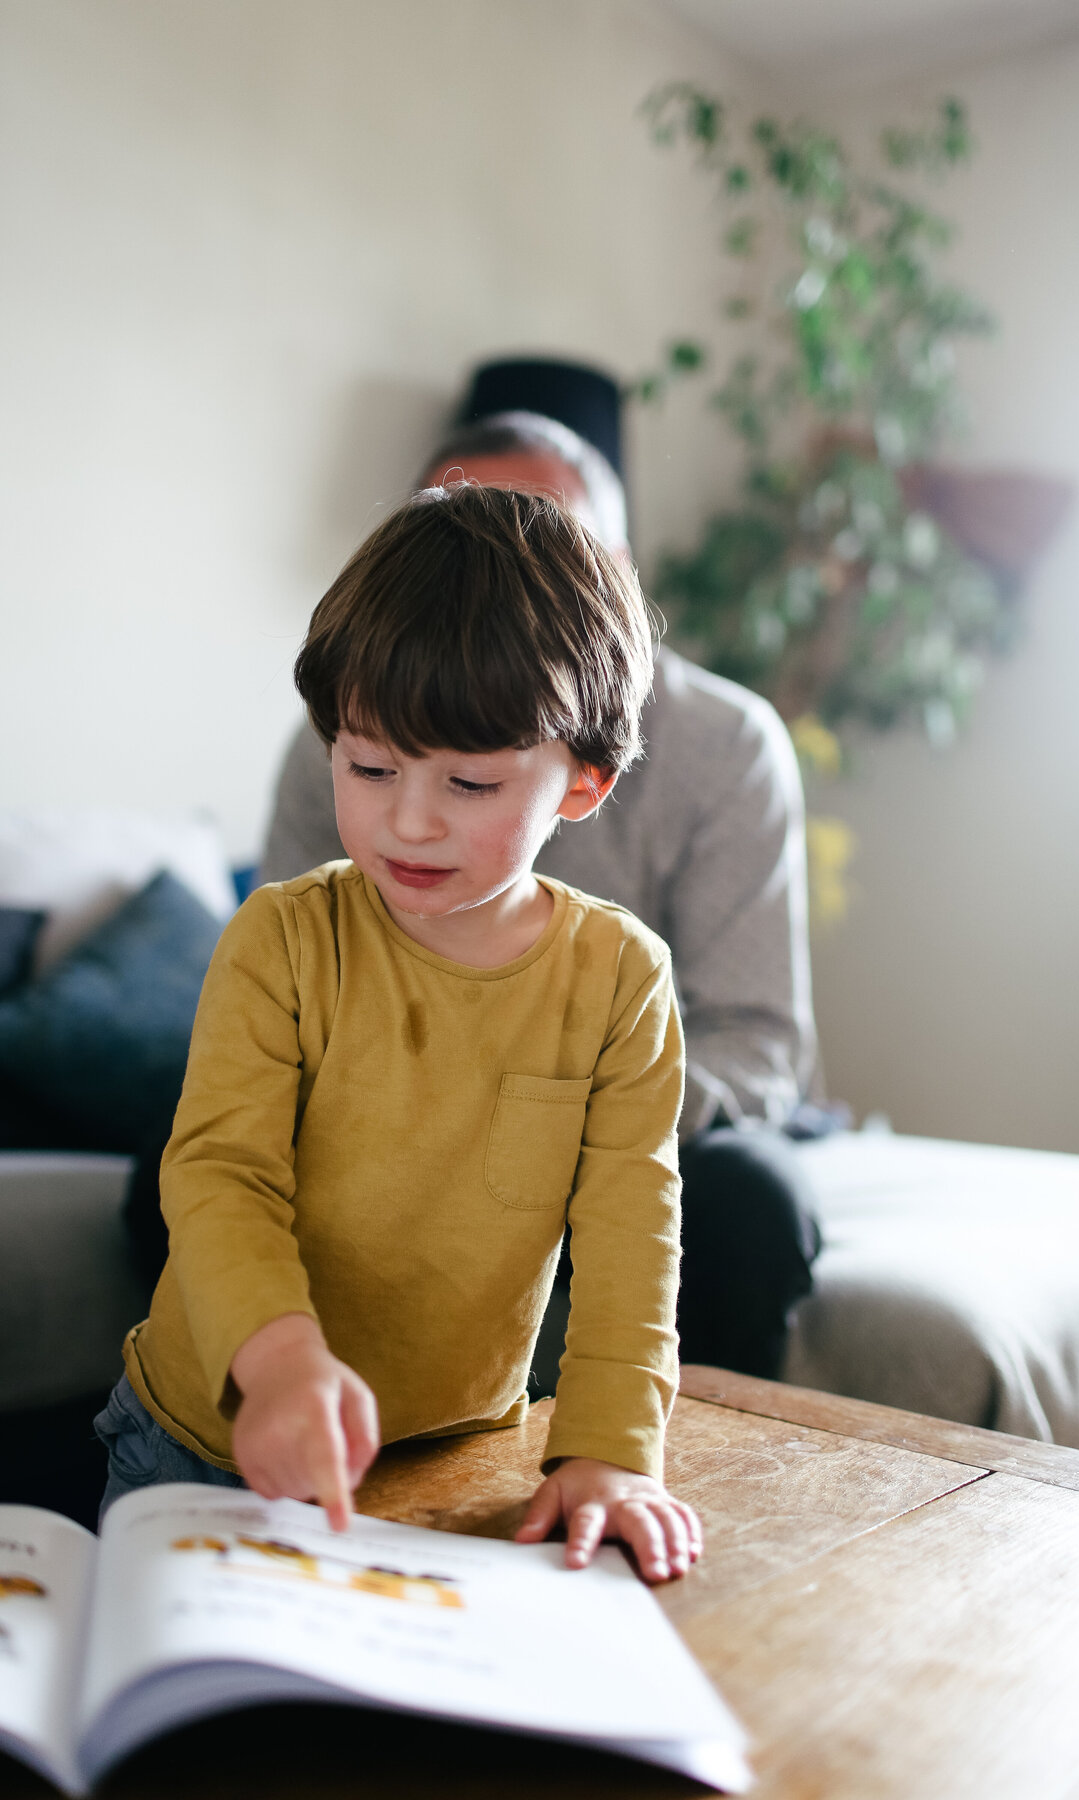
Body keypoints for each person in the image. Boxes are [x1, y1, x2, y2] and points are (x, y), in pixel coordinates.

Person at [96, 484, 701, 1583]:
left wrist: (612, 1449)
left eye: (469, 782)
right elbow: (219, 1174)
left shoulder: (619, 982)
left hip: (453, 1457)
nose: (409, 819)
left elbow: (630, 1234)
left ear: (583, 783)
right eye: (368, 766)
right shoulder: (282, 940)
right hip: (207, 1437)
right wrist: (280, 1363)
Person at [258, 410, 822, 1382]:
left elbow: (758, 1040)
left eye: (549, 552)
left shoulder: (727, 749)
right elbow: (290, 996)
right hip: (375, 1107)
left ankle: (641, 1486)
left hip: (631, 1120)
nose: (499, 598)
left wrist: (551, 1120)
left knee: (753, 1209)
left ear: (619, 575)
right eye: (375, 772)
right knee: (170, 1170)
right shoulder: (346, 738)